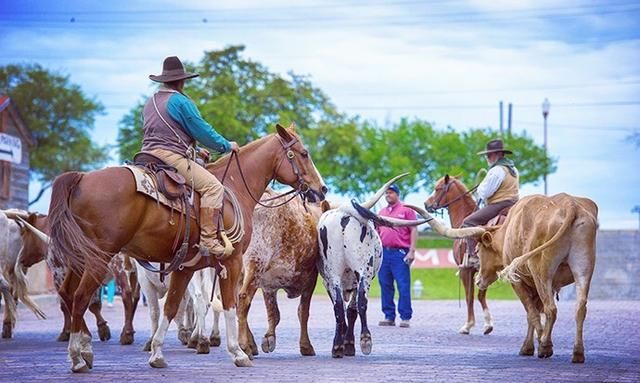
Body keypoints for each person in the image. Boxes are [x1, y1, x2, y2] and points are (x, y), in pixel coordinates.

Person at [142, 56, 240, 257]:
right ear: (181, 81)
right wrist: (226, 145)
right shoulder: (179, 101)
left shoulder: (150, 102)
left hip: (145, 156)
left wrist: (195, 152)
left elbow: (165, 133)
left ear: (164, 80)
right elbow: (203, 131)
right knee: (213, 188)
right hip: (170, 158)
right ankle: (208, 240)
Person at [461, 138, 520, 268]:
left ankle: (473, 257)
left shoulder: (496, 170)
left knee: (468, 222)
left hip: (499, 204)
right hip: (514, 204)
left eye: (488, 155)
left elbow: (485, 193)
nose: (487, 158)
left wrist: (479, 187)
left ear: (497, 154)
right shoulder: (513, 169)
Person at [377, 184, 418, 328]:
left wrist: (412, 250)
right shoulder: (381, 212)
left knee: (403, 285)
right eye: (387, 193)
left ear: (397, 194)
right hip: (384, 253)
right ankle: (389, 316)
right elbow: (376, 233)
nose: (388, 195)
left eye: (391, 192)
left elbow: (413, 229)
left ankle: (405, 317)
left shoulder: (406, 210)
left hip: (400, 253)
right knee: (385, 285)